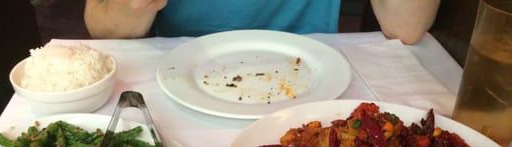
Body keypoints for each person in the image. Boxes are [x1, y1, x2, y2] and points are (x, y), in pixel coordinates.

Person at [84, 0, 440, 45]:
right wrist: (135, 6)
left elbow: (406, 25)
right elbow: (100, 23)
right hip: (178, 78)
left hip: (316, 86)